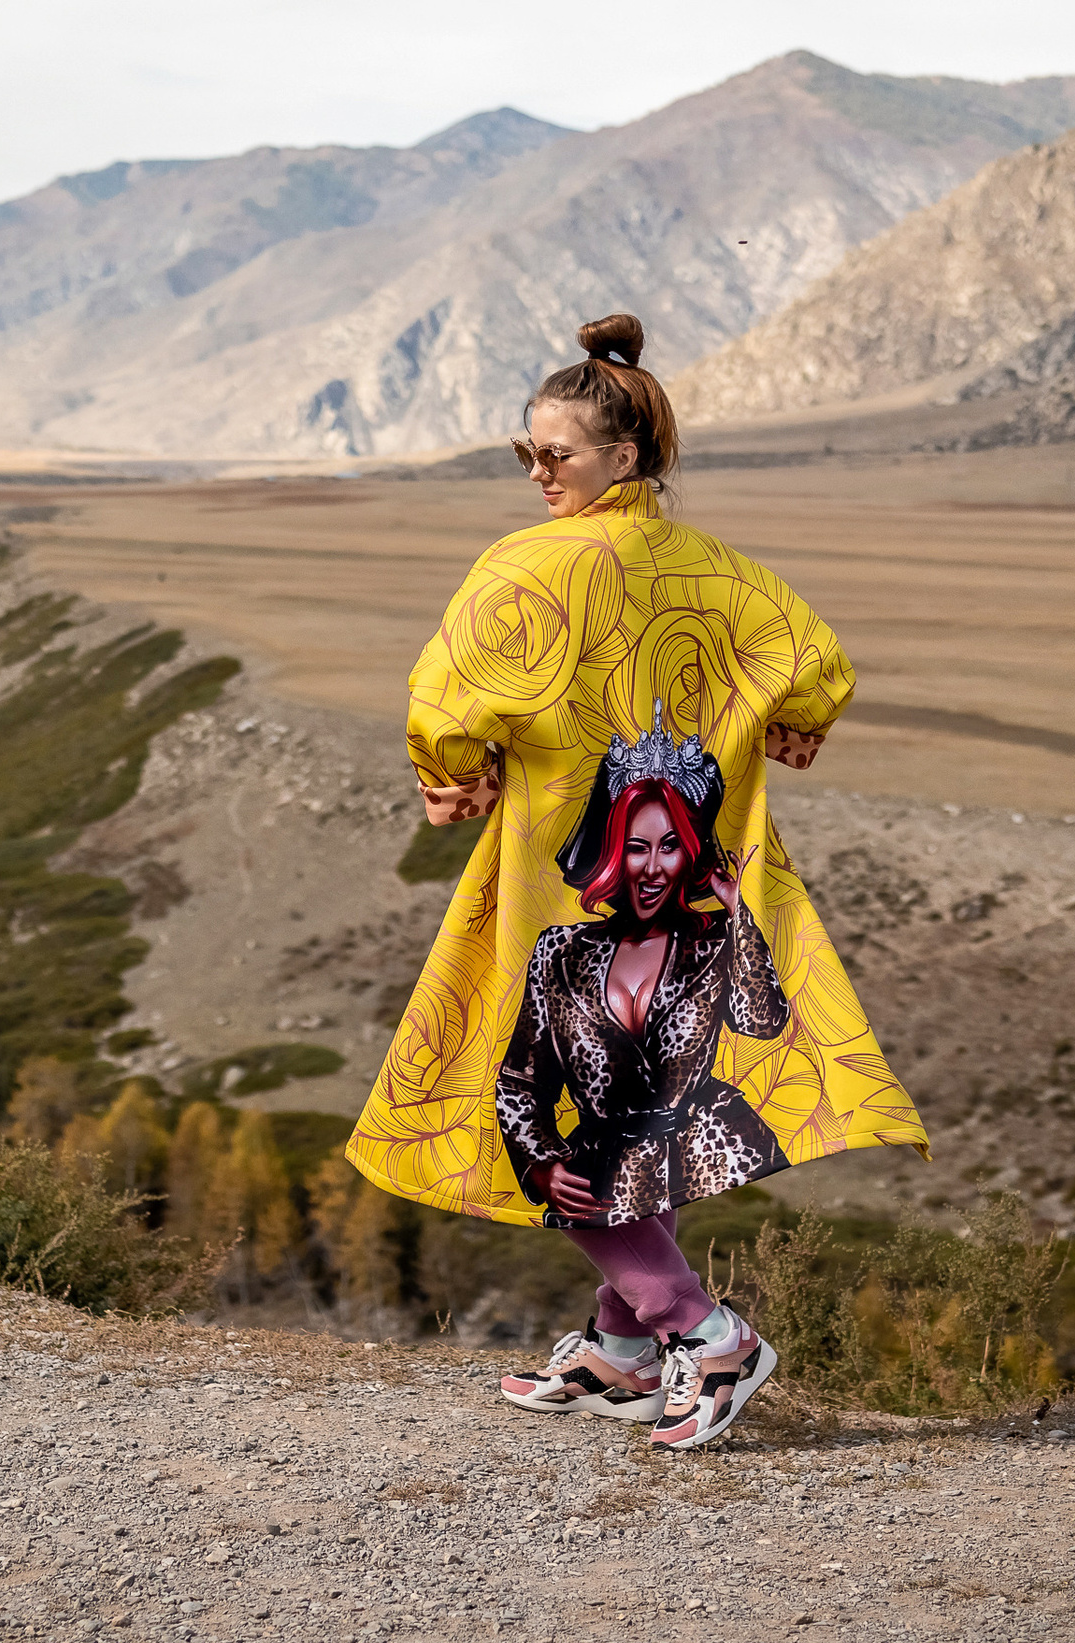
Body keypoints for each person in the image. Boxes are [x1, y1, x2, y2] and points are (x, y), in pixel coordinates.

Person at [345, 313, 927, 1452]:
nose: (537, 474)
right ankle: (620, 1348)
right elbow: (813, 661)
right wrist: (790, 729)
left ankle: (701, 1331)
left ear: (622, 455)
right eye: (525, 454)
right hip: (689, 895)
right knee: (632, 1107)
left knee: (532, 1108)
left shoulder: (523, 567)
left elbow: (444, 700)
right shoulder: (719, 571)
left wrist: (450, 776)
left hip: (558, 885)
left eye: (554, 453)